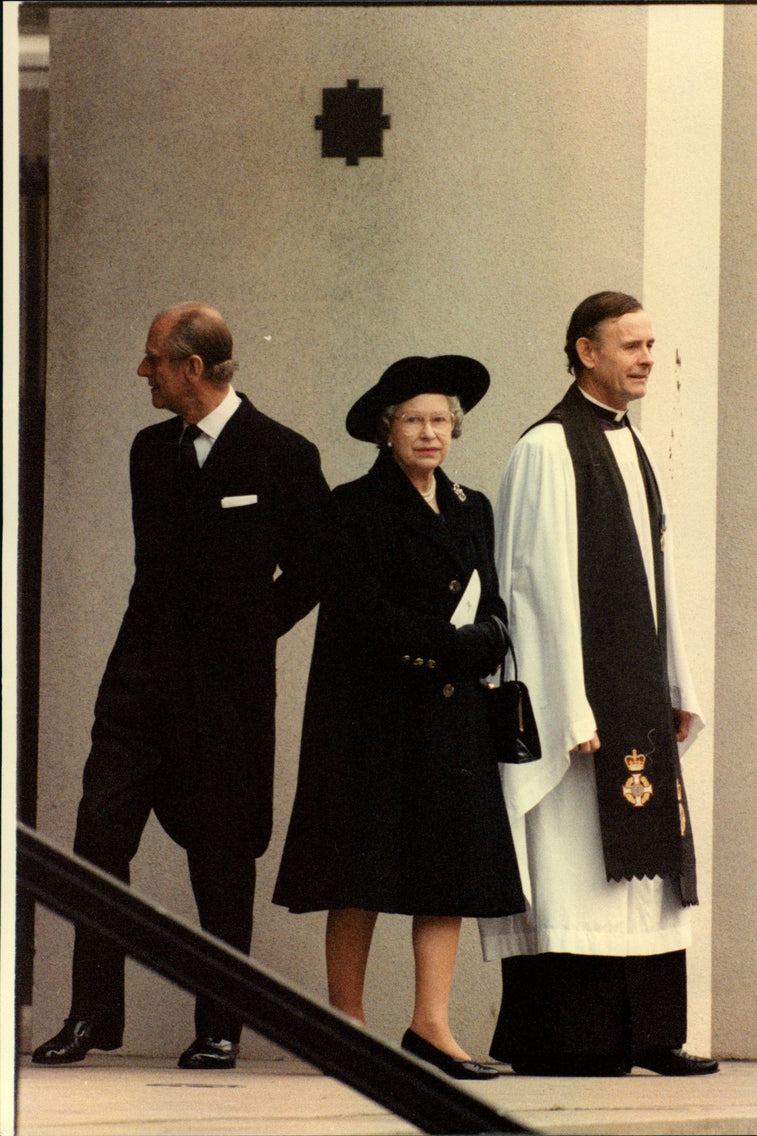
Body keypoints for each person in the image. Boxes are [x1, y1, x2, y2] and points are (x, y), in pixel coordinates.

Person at [32, 302, 330, 1069]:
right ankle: (92, 1015)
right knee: (97, 839)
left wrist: (249, 631)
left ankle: (220, 1024)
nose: (143, 373)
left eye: (153, 360)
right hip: (137, 687)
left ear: (191, 369)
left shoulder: (283, 454)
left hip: (224, 699)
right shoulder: (148, 450)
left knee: (223, 857)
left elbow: (316, 566)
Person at [479, 292, 719, 1077]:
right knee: (579, 866)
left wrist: (676, 681)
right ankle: (568, 1039)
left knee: (641, 875)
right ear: (586, 351)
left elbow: (658, 577)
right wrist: (567, 704)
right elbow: (534, 584)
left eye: (652, 344)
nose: (647, 358)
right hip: (579, 710)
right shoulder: (549, 447)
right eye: (631, 345)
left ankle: (649, 1035)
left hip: (637, 700)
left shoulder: (631, 446)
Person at [273, 355, 526, 1080]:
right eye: (413, 420)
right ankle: (344, 1026)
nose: (429, 433)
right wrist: (449, 646)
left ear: (455, 429)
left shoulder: (473, 506)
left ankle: (432, 1026)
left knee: (446, 868)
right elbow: (361, 612)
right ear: (387, 431)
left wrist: (491, 636)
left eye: (441, 420)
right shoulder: (353, 506)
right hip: (373, 713)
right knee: (360, 869)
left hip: (452, 716)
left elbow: (495, 596)